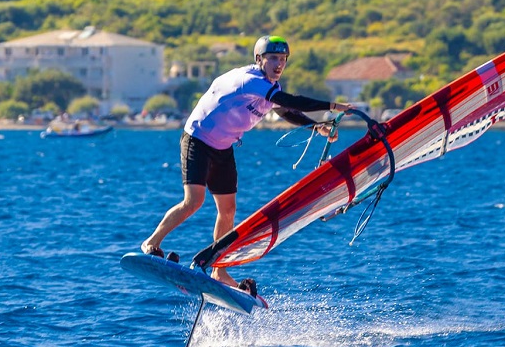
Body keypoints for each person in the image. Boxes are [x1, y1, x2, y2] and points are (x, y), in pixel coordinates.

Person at [140, 35, 353, 294]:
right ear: (259, 59)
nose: (278, 64)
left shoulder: (270, 87)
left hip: (223, 148)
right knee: (194, 201)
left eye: (283, 59)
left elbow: (286, 111)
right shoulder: (249, 80)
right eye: (273, 58)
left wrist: (316, 125)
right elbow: (292, 101)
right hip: (197, 139)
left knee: (228, 210)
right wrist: (333, 106)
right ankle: (152, 243)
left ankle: (218, 270)